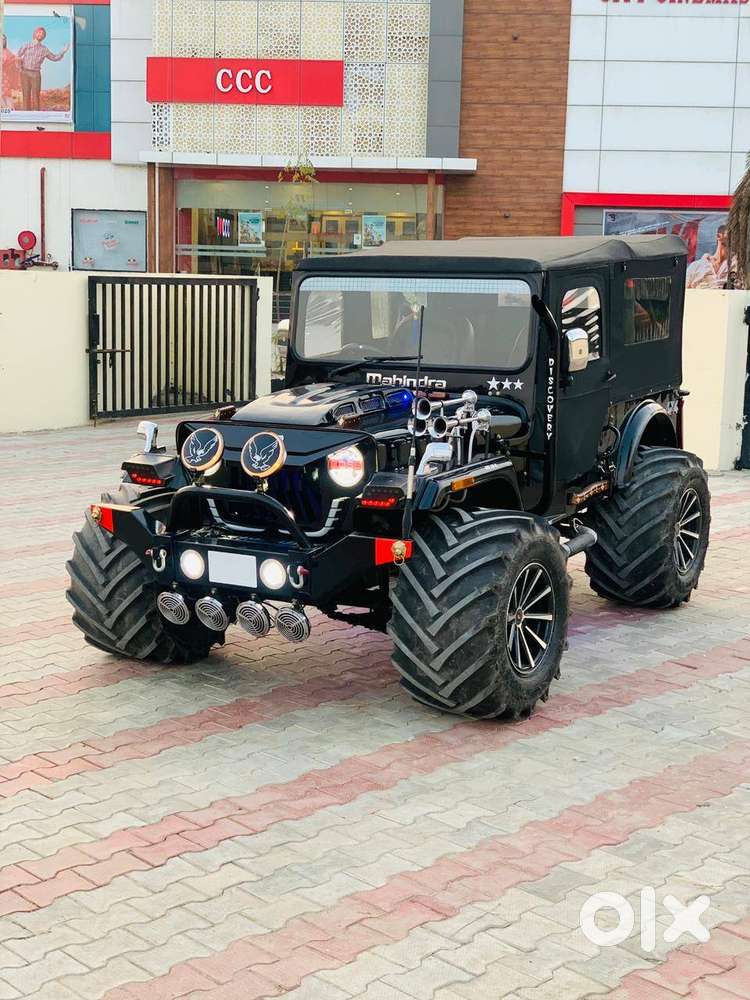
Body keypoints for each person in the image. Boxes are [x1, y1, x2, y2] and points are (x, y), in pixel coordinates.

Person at [17, 26, 69, 112]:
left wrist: (63, 51)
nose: (40, 34)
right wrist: (20, 68)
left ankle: (37, 115)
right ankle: (26, 115)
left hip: (36, 74)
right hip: (24, 72)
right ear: (35, 33)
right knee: (25, 95)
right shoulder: (26, 45)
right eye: (39, 32)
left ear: (43, 37)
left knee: (36, 95)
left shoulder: (44, 49)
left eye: (42, 34)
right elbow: (18, 56)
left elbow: (54, 57)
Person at [686, 225, 729, 289]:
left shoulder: (738, 268)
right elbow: (683, 292)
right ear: (719, 236)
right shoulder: (696, 266)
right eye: (731, 233)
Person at [1, 35, 21, 110]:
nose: (2, 41)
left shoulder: (7, 51)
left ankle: (11, 111)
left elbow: (13, 60)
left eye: (4, 39)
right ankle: (7, 111)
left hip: (5, 77)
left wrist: (17, 61)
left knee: (7, 95)